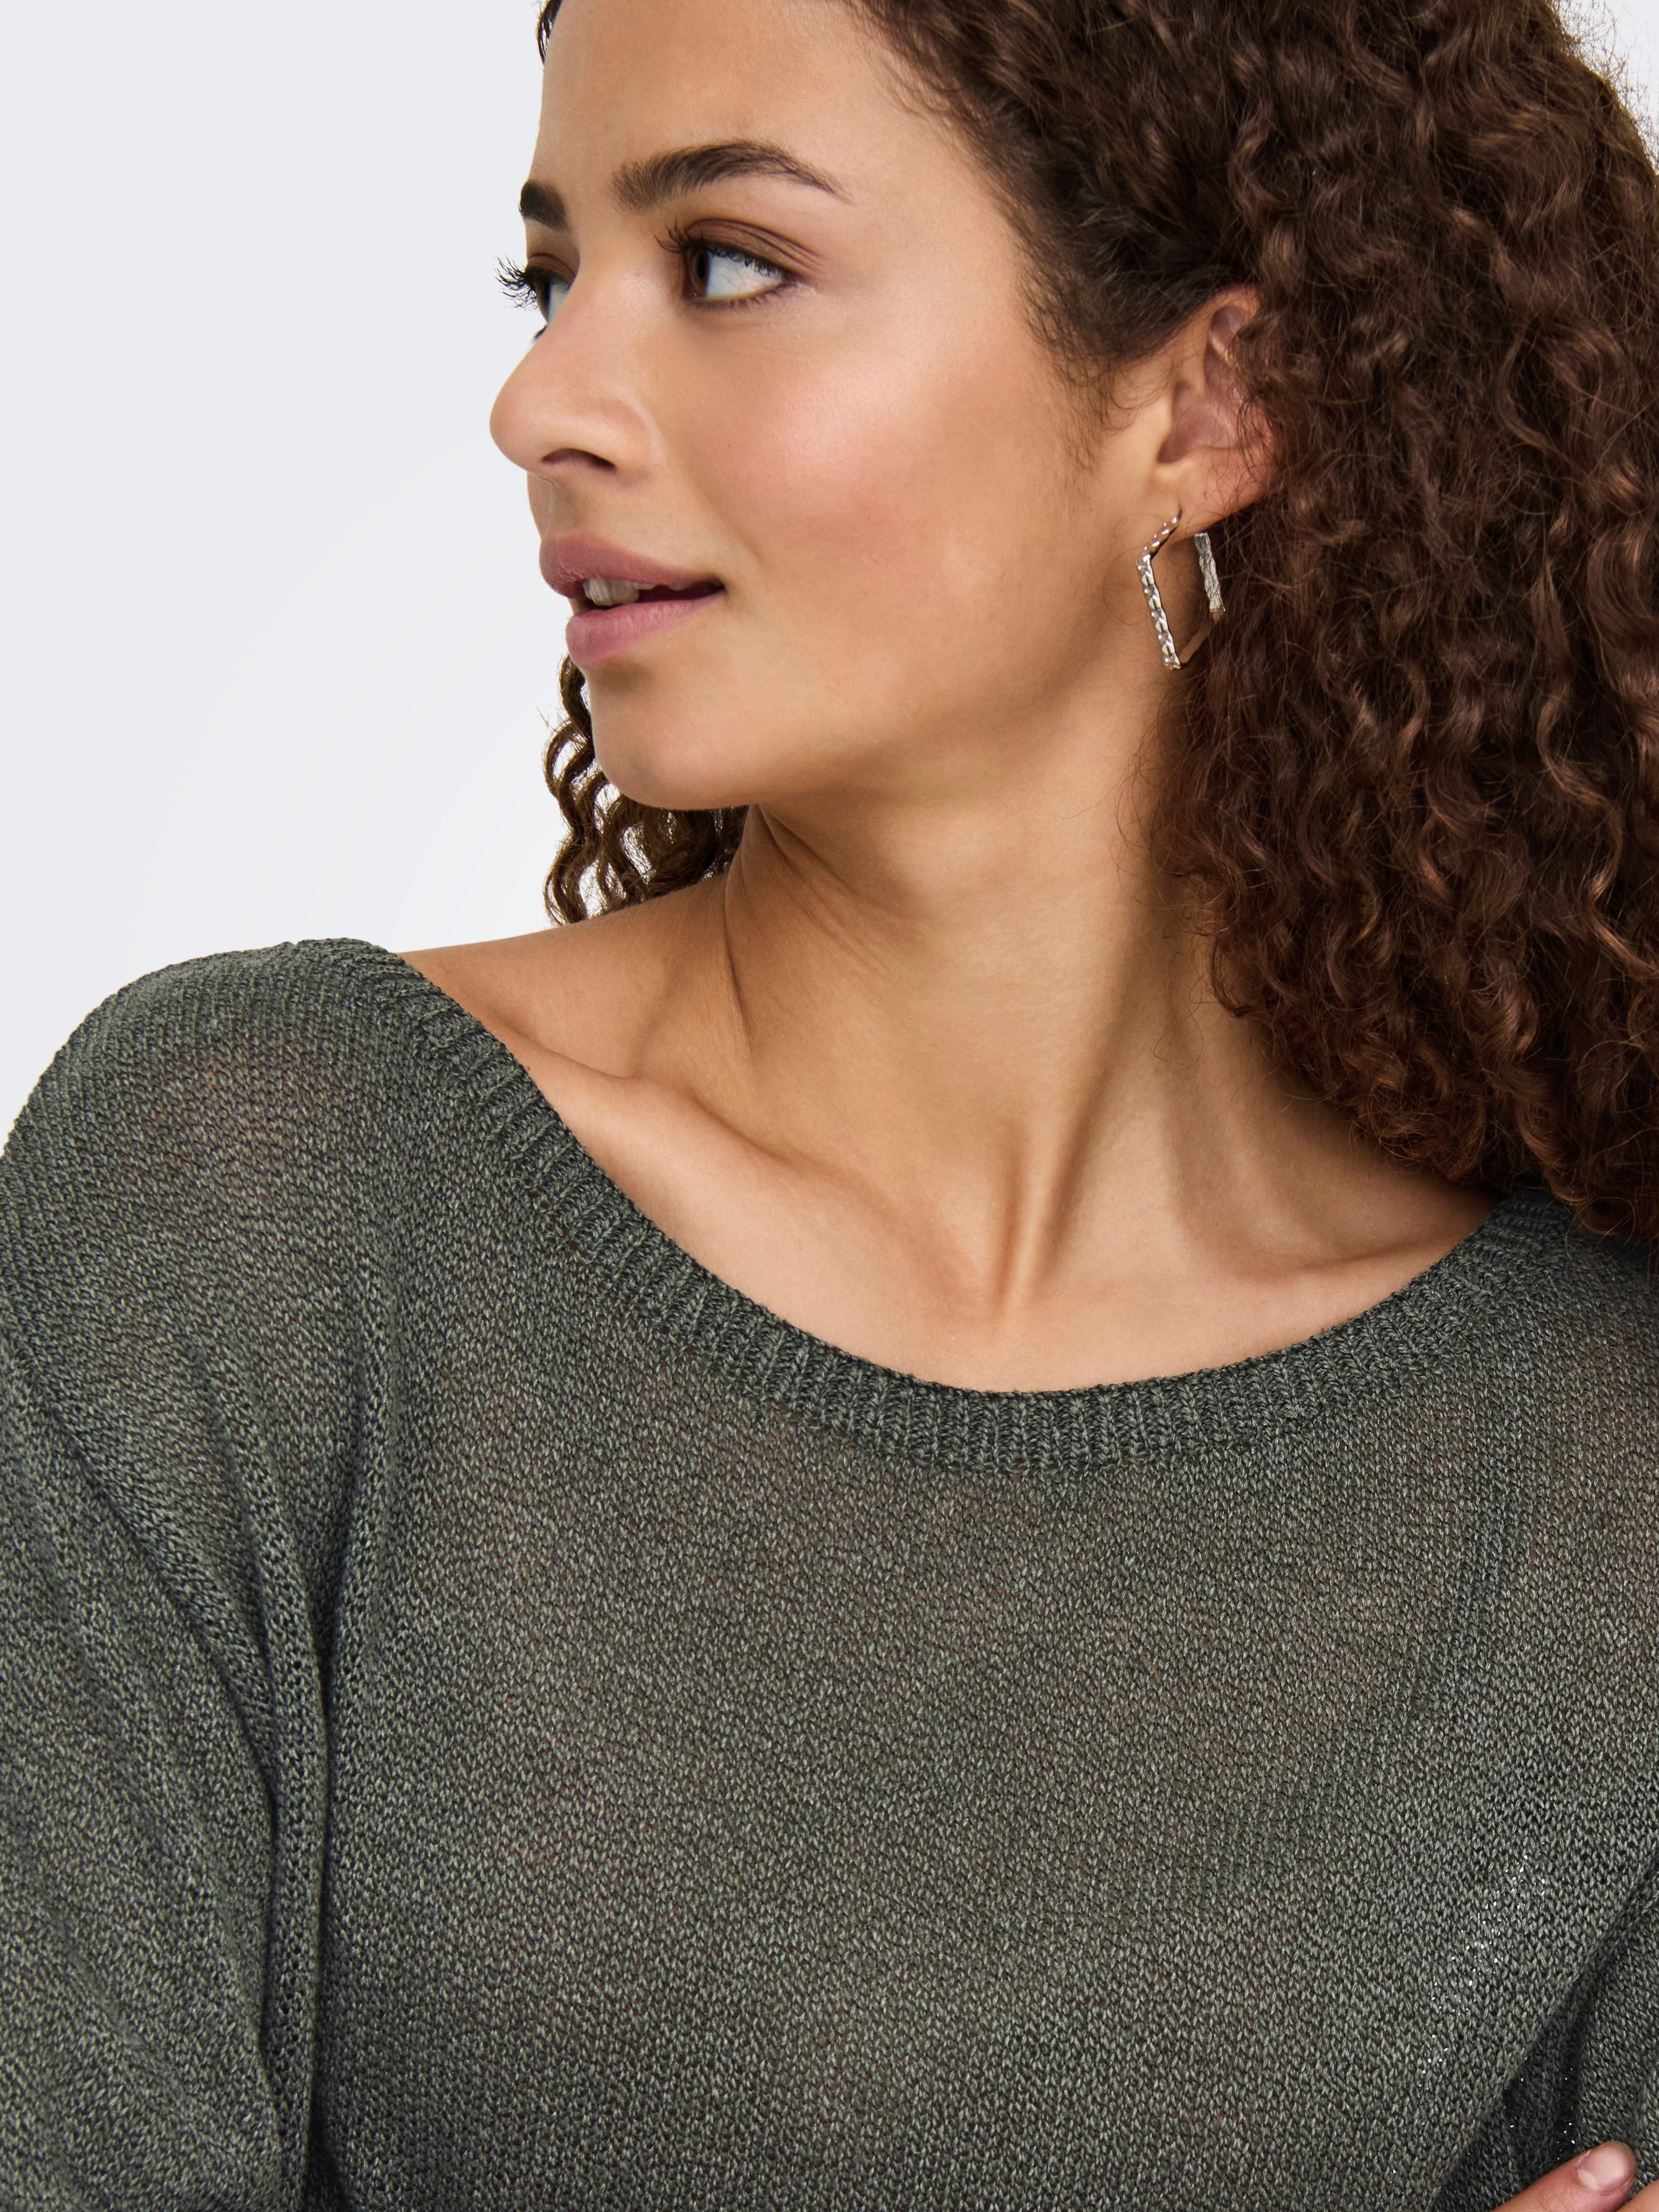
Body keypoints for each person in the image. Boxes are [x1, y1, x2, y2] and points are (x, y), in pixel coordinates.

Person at [4, 0, 1659, 2201]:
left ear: (1206, 406)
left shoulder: (1595, 1478)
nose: (538, 401)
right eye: (549, 272)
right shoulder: (254, 1213)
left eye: (725, 263)